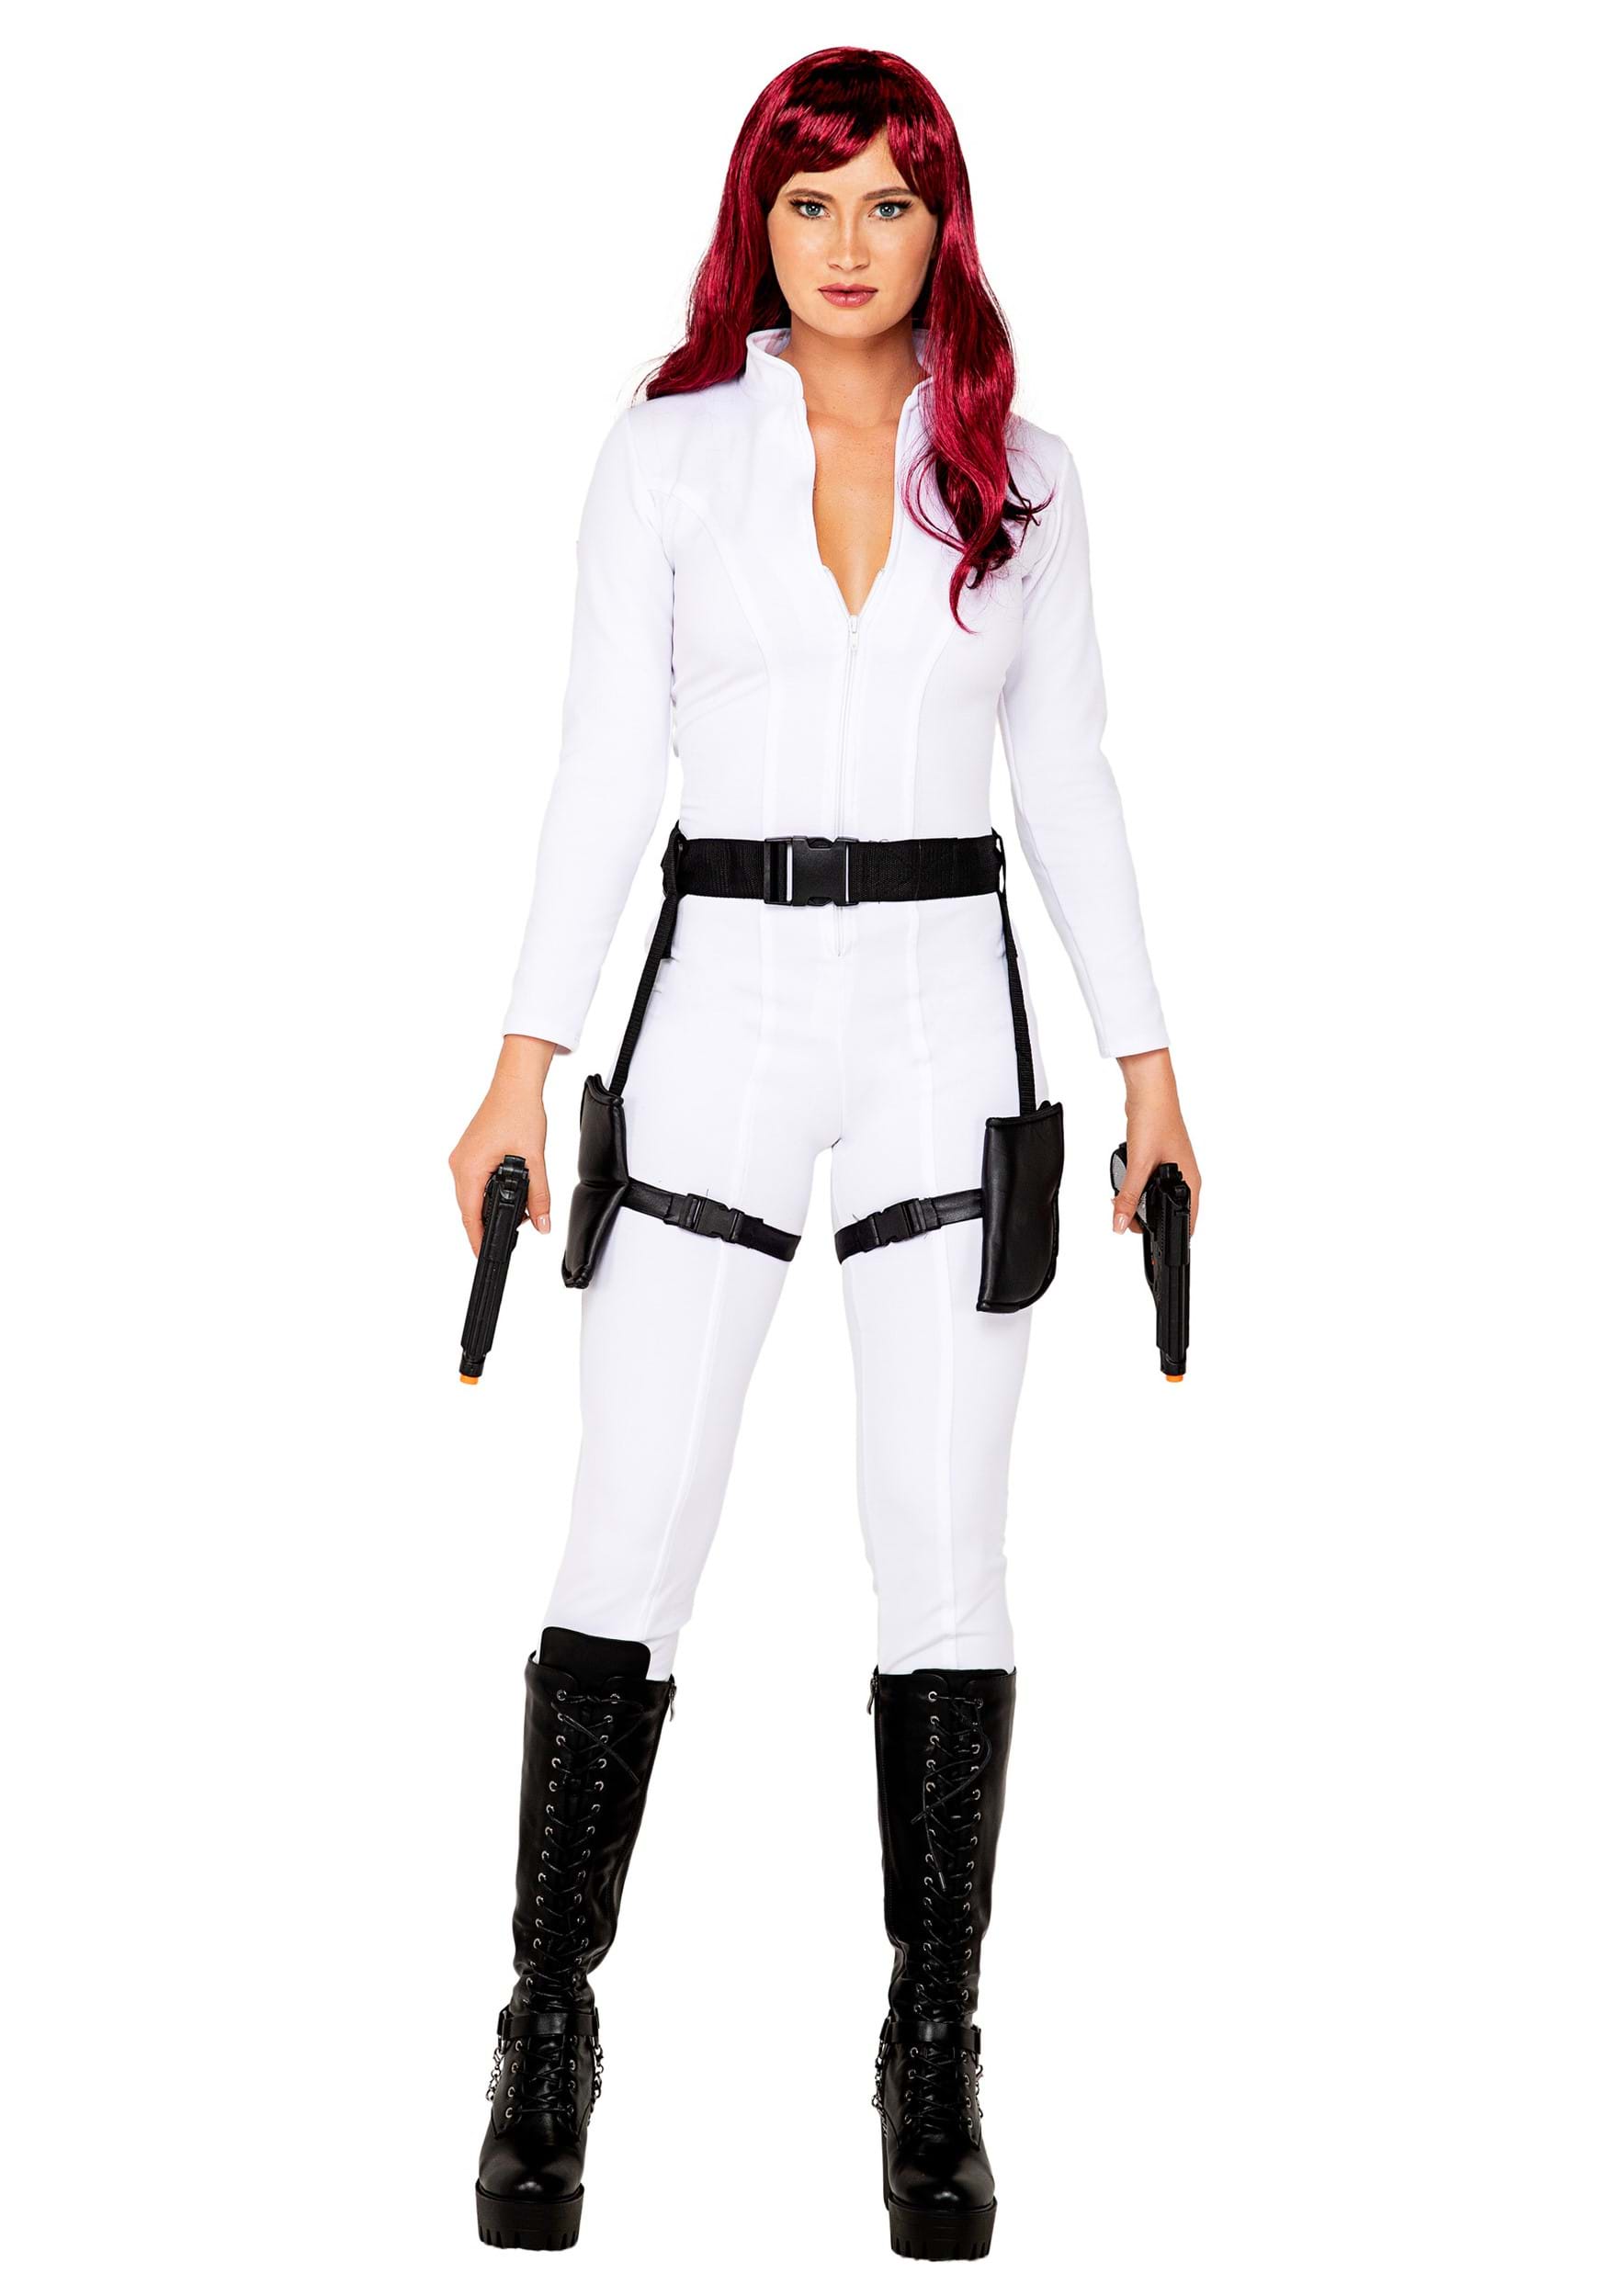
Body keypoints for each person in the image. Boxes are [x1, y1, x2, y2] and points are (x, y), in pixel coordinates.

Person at [449, 45, 1201, 2262]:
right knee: (631, 1515)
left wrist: (1149, 1066)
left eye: (886, 201)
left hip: (944, 1004)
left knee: (941, 1541)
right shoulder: (666, 456)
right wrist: (518, 1065)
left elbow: (1069, 776)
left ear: (939, 221)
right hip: (722, 996)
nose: (847, 244)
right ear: (754, 225)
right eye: (808, 204)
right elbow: (602, 764)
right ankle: (546, 2018)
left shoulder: (1024, 474)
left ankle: (930, 2043)